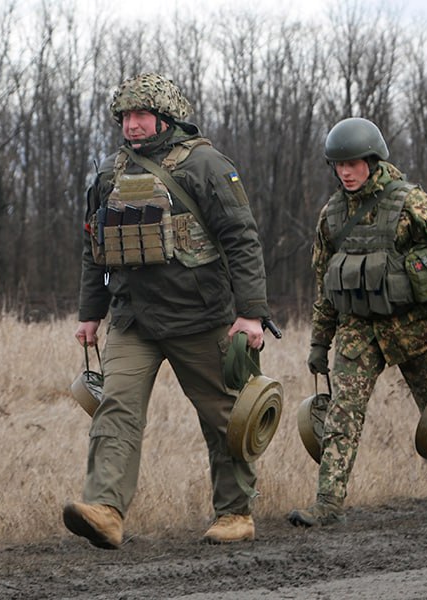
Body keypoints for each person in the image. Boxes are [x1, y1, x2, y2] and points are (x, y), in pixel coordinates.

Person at [64, 73, 270, 547]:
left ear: (165, 117)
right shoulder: (110, 173)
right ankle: (106, 510)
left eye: (140, 116)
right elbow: (94, 246)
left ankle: (235, 513)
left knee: (223, 416)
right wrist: (89, 314)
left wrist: (252, 313)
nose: (131, 126)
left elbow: (241, 237)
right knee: (115, 407)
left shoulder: (205, 164)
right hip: (133, 318)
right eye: (125, 117)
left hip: (199, 316)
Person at [288, 117, 427, 527]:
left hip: (412, 328)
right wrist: (318, 343)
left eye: (354, 164)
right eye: (339, 165)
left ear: (373, 160)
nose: (345, 172)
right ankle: (327, 504)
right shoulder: (330, 217)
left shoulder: (412, 204)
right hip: (358, 330)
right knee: (343, 412)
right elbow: (325, 285)